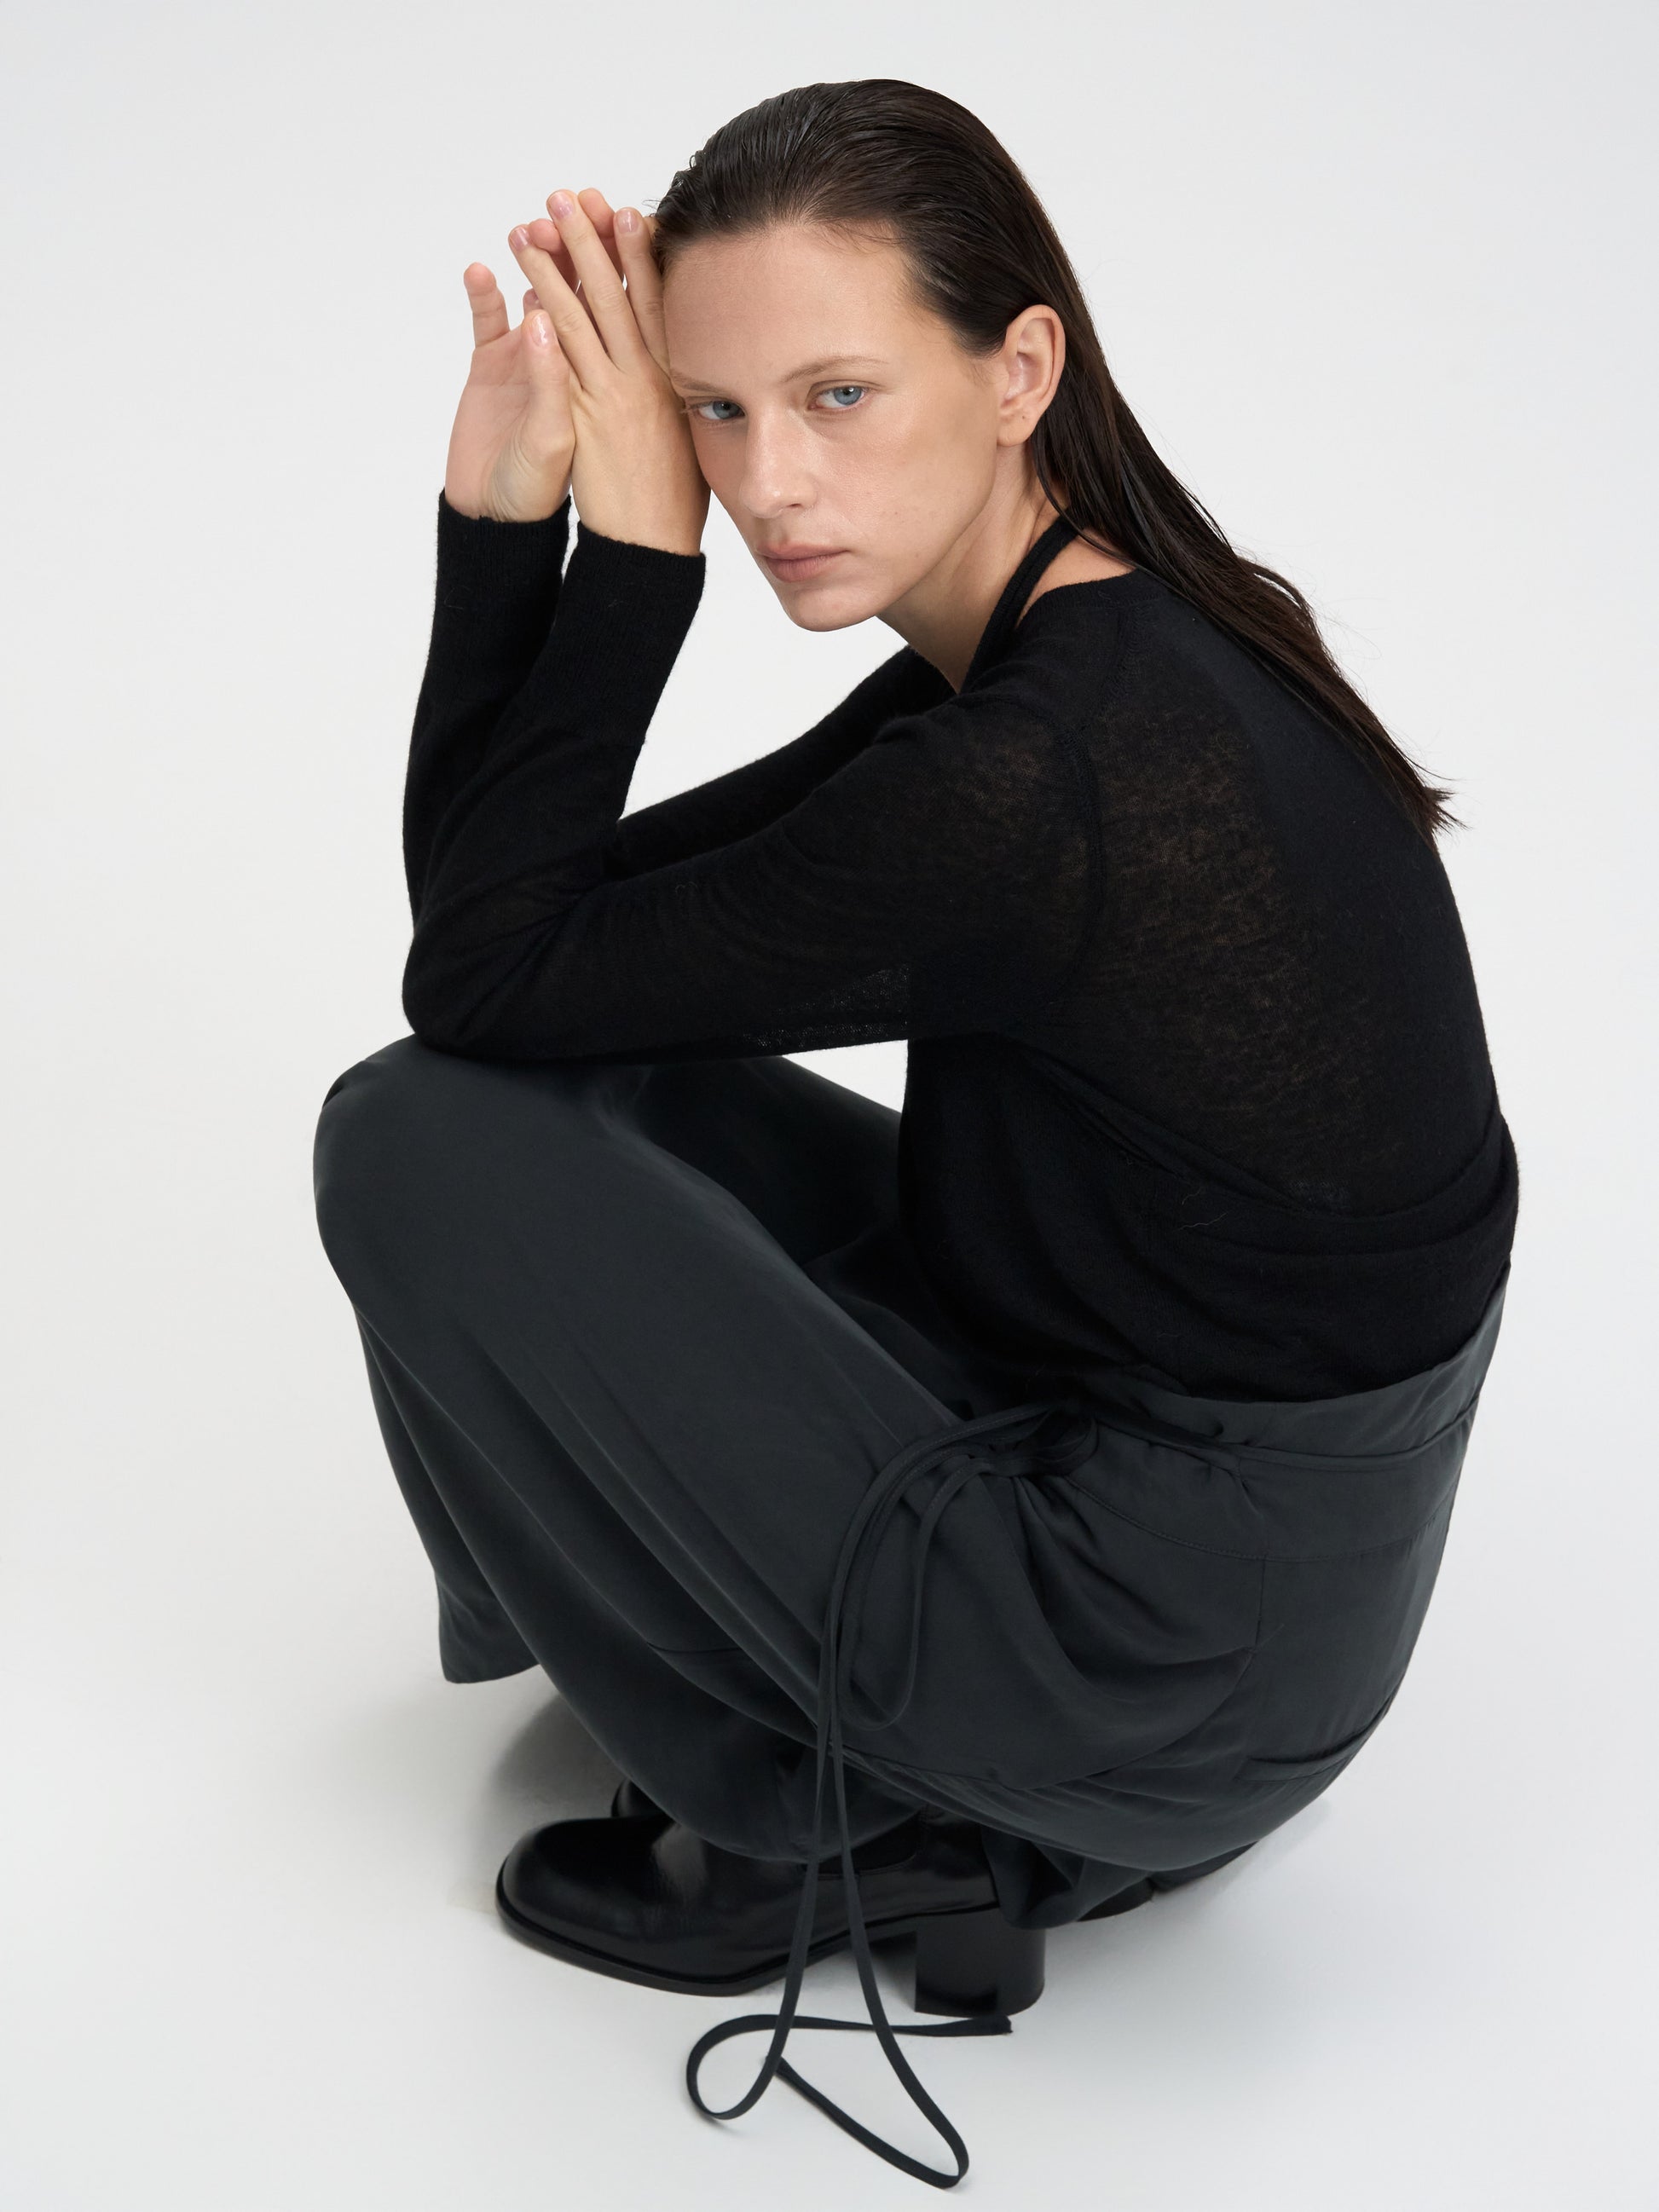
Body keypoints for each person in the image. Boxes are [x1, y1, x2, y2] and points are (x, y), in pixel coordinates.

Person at [311, 78, 1519, 2187]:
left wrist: (627, 563)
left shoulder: (1027, 784)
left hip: (1153, 1662)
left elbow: (475, 982)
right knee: (546, 1078)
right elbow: (523, 953)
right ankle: (722, 1648)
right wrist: (502, 523)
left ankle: (851, 1821)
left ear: (1017, 366)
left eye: (837, 393)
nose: (766, 479)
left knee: (406, 1135)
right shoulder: (1090, 641)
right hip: (1198, 1544)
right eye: (708, 412)